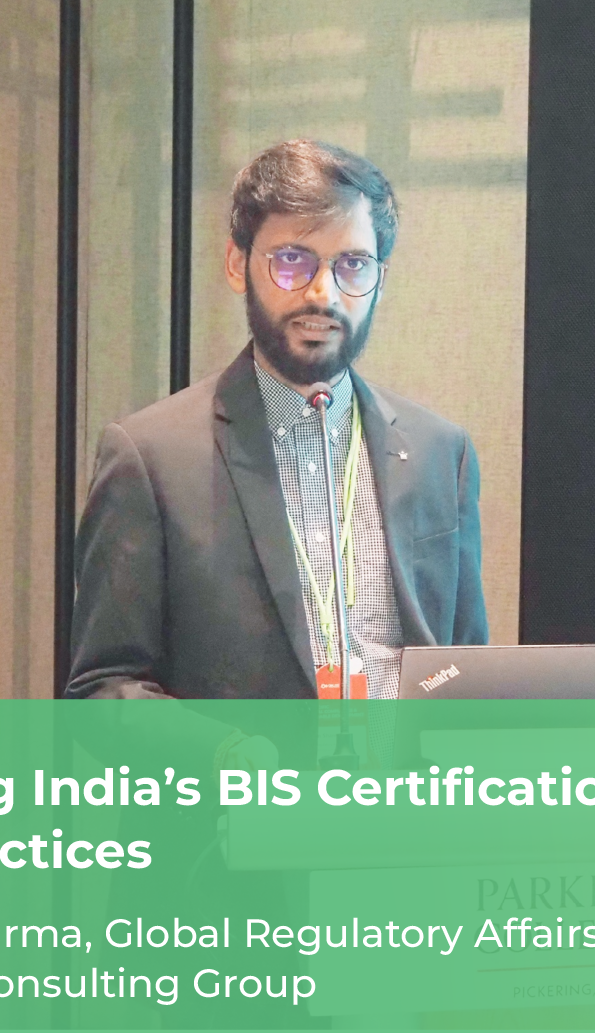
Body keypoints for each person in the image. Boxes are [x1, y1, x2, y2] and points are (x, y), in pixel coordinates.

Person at [67, 139, 487, 706]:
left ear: (380, 279)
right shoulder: (152, 458)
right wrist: (227, 752)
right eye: (292, 261)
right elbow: (105, 688)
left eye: (352, 265)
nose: (323, 293)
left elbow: (466, 675)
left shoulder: (441, 453)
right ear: (237, 265)